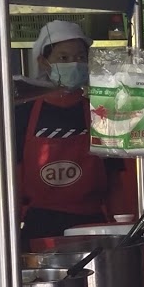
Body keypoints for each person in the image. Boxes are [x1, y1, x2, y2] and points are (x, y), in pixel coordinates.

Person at [16, 19, 116, 241]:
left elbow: (116, 175)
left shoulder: (99, 112)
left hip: (92, 225)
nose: (74, 63)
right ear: (44, 62)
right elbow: (10, 177)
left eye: (81, 57)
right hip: (38, 226)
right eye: (63, 58)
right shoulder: (23, 114)